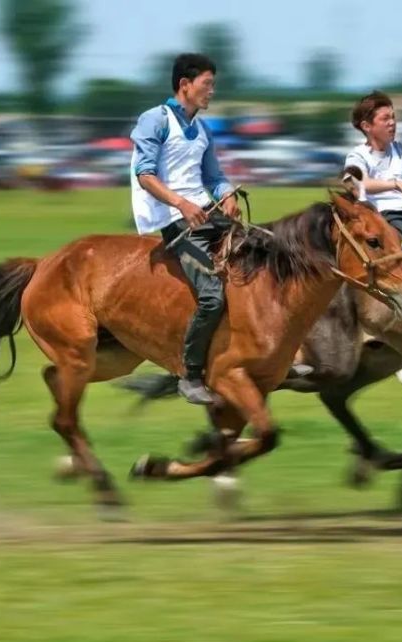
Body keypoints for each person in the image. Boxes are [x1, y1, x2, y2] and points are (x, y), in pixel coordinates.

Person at [129, 52, 239, 405]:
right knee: (211, 296)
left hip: (204, 213)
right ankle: (190, 375)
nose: (212, 92)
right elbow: (145, 176)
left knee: (264, 260)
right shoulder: (155, 121)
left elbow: (214, 177)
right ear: (184, 85)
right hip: (173, 221)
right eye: (207, 85)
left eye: (213, 85)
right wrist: (182, 204)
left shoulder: (203, 128)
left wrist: (227, 193)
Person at [345, 91, 402, 390]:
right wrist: (397, 183)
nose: (393, 123)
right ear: (367, 126)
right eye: (386, 118)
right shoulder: (358, 156)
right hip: (381, 225)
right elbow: (355, 182)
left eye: (394, 117)